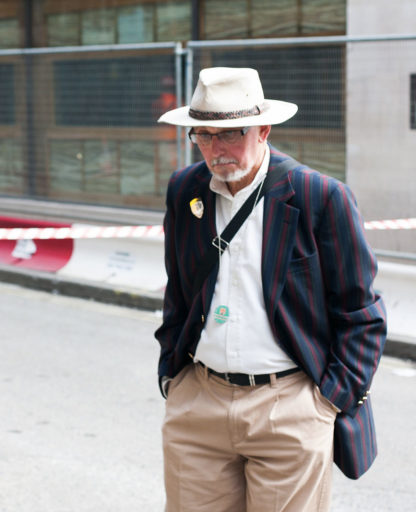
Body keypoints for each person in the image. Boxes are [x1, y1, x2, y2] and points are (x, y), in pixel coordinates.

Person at [155, 67, 387, 511]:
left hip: (290, 407)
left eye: (230, 134)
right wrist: (173, 375)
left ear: (264, 130)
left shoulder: (319, 196)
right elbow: (179, 293)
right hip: (199, 404)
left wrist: (328, 401)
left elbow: (362, 314)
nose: (215, 149)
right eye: (203, 135)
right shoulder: (185, 191)